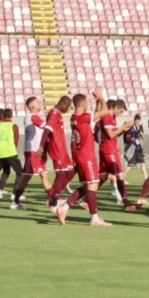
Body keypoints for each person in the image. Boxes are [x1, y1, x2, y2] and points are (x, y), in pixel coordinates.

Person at [55, 90, 111, 227]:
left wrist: (98, 101)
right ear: (84, 104)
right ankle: (94, 218)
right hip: (87, 156)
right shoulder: (84, 117)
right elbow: (105, 112)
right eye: (87, 102)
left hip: (79, 156)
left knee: (87, 185)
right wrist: (101, 98)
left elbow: (96, 117)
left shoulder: (74, 118)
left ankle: (65, 207)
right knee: (92, 186)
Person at [12, 96, 54, 210]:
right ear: (32, 106)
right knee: (36, 176)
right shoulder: (32, 117)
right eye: (37, 102)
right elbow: (47, 126)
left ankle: (52, 201)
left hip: (34, 151)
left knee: (36, 176)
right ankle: (52, 202)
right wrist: (52, 115)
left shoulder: (30, 117)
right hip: (33, 152)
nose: (40, 103)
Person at [96, 99, 135, 209]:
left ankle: (85, 198)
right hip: (109, 150)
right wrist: (123, 127)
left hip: (108, 149)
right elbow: (110, 135)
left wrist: (123, 129)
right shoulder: (107, 116)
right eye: (120, 111)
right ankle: (126, 201)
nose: (120, 114)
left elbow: (113, 134)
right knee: (119, 174)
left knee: (103, 177)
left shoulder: (111, 118)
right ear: (116, 108)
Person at [45, 95, 74, 207]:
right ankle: (54, 200)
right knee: (61, 174)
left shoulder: (58, 113)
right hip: (56, 148)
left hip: (62, 148)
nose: (68, 109)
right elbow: (47, 129)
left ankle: (54, 194)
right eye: (68, 106)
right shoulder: (53, 113)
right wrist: (42, 146)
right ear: (64, 104)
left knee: (70, 171)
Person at [0, 108, 22, 199]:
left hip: (1, 152)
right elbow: (16, 140)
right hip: (10, 152)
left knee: (6, 171)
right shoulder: (13, 126)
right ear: (11, 116)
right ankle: (14, 194)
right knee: (20, 173)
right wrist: (13, 148)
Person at [123, 113, 147, 184]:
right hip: (131, 147)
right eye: (136, 121)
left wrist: (141, 135)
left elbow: (142, 138)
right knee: (131, 164)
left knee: (142, 162)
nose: (137, 122)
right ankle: (122, 178)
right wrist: (133, 138)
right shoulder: (130, 127)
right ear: (134, 120)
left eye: (139, 121)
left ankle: (146, 178)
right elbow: (127, 138)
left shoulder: (140, 127)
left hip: (138, 147)